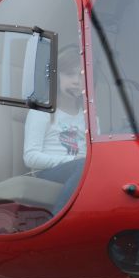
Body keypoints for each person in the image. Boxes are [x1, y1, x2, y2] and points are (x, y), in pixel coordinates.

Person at [23, 46, 86, 184]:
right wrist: (73, 161)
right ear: (56, 77)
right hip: (47, 173)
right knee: (83, 167)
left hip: (81, 171)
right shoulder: (41, 111)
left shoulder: (90, 119)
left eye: (81, 75)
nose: (77, 81)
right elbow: (30, 157)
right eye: (70, 74)